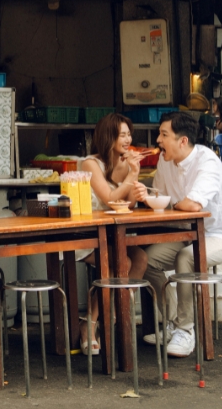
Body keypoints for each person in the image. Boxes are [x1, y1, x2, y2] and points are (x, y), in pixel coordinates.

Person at [135, 112, 222, 357]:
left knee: (185, 257)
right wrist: (145, 195)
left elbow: (194, 205)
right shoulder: (165, 161)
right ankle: (175, 323)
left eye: (164, 135)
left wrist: (173, 204)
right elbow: (161, 199)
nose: (158, 140)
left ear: (182, 141)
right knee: (145, 260)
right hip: (188, 233)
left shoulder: (207, 161)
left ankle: (186, 331)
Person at [79, 113, 148, 352]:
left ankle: (117, 316)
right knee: (123, 262)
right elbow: (109, 200)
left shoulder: (124, 165)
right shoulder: (90, 163)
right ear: (108, 136)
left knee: (140, 259)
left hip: (112, 235)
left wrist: (134, 173)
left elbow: (129, 205)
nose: (128, 139)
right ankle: (90, 323)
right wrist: (131, 175)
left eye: (129, 133)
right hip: (86, 235)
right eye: (122, 134)